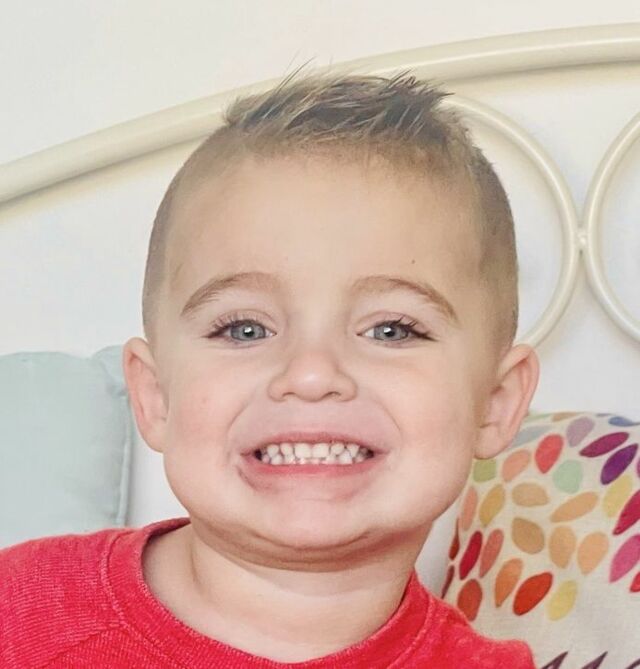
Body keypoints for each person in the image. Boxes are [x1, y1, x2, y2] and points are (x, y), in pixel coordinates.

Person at [0, 67, 540, 667]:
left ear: (495, 404)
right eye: (244, 329)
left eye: (391, 330)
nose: (310, 375)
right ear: (154, 397)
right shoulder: (18, 609)